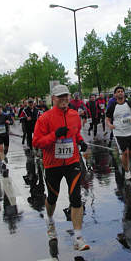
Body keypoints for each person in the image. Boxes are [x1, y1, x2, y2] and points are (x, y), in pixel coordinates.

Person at [32, 84, 89, 251]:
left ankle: (78, 238)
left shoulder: (74, 115)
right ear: (53, 99)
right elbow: (36, 142)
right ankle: (50, 220)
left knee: (76, 198)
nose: (64, 99)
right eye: (60, 96)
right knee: (52, 198)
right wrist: (54, 135)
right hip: (52, 165)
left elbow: (75, 133)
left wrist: (80, 141)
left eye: (66, 96)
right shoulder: (45, 118)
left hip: (72, 162)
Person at [106, 86, 131, 182]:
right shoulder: (112, 106)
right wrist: (110, 125)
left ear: (124, 93)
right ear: (115, 95)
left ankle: (123, 158)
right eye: (118, 91)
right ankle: (127, 171)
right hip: (119, 132)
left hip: (130, 131)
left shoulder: (130, 104)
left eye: (122, 91)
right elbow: (108, 118)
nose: (120, 93)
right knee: (125, 152)